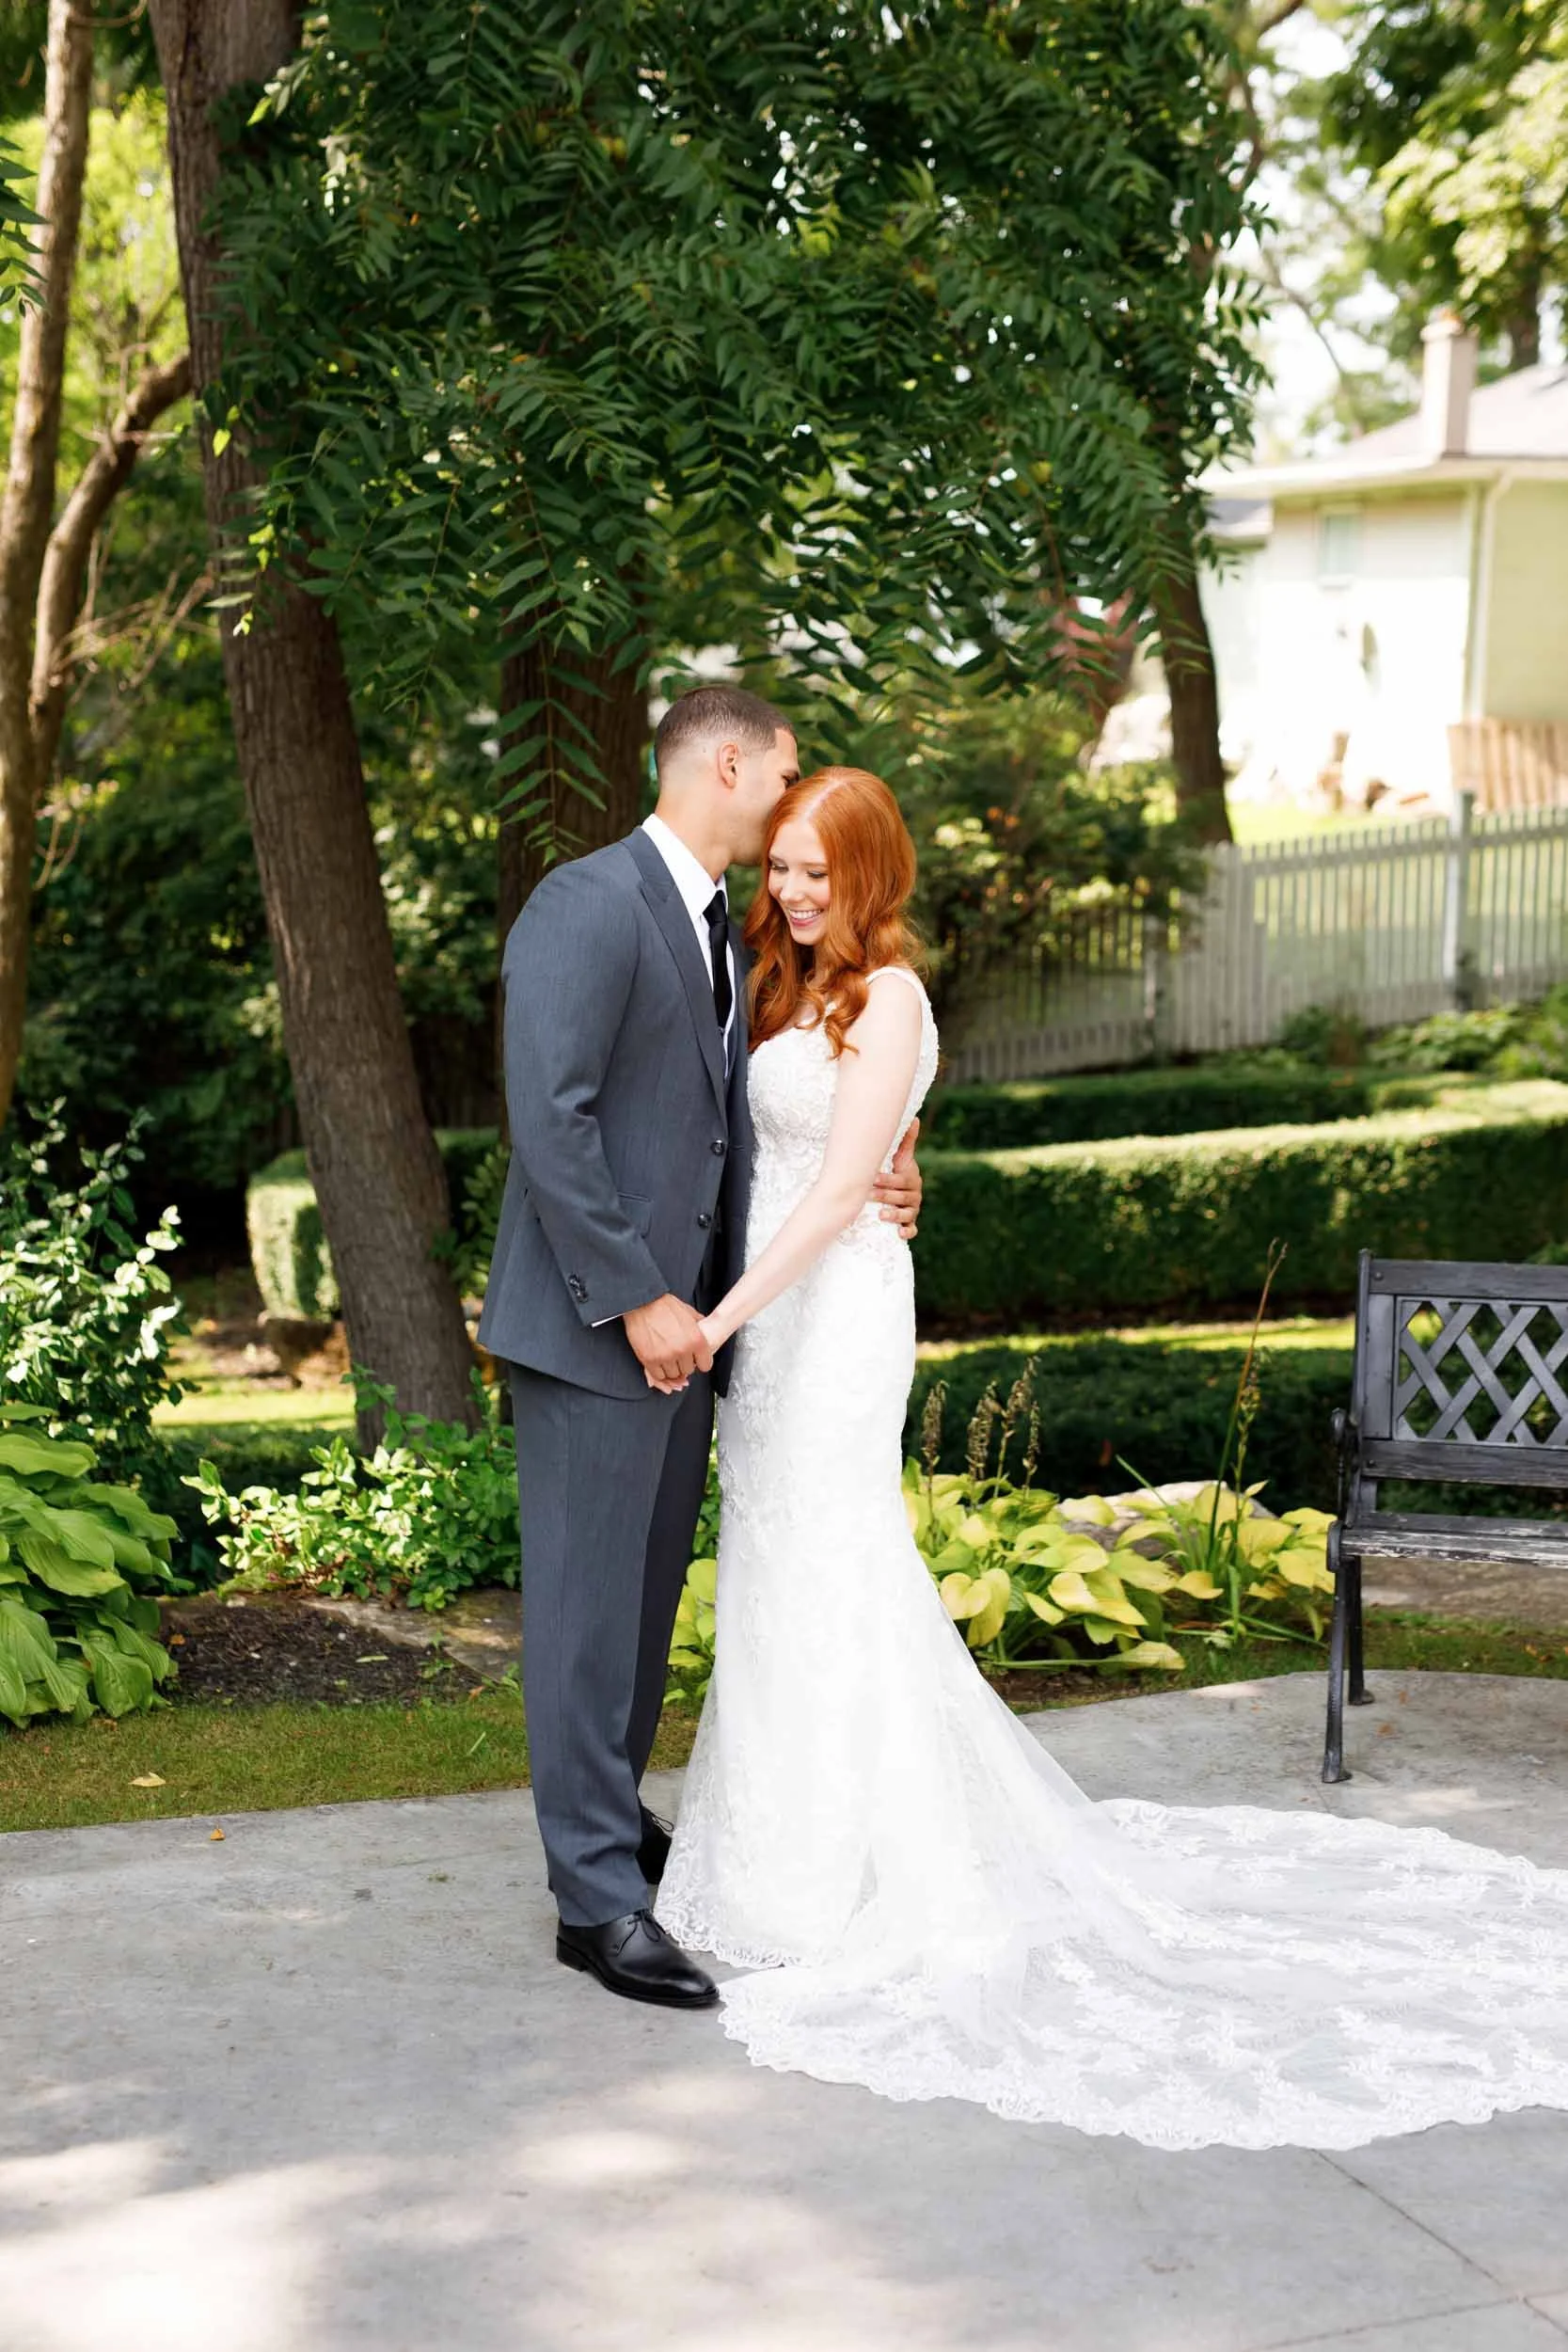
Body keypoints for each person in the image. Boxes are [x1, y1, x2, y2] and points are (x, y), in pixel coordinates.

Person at [656, 764, 1568, 2152]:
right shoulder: (771, 985)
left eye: (813, 872)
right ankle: (770, 1860)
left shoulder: (891, 997)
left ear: (870, 875)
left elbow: (848, 1183)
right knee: (779, 1573)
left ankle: (854, 1875)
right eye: (777, 865)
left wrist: (720, 1314)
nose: (787, 890)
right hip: (773, 1323)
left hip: (826, 1318)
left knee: (837, 1565)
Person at [479, 689, 921, 2010]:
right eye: (780, 775)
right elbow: (547, 1120)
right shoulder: (589, 900)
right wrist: (637, 1298)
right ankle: (593, 1903)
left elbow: (755, 1124)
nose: (788, 799)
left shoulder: (726, 928)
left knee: (639, 1614)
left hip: (703, 1338)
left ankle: (609, 1833)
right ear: (728, 761)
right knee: (580, 1621)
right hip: (602, 1331)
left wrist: (896, 1172)